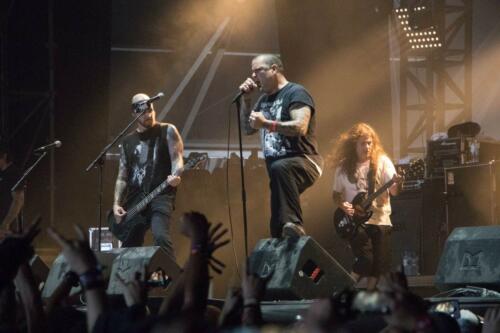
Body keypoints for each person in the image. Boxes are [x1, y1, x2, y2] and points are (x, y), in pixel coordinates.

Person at [238, 54, 323, 238]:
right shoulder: (262, 101)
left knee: (280, 167)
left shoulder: (296, 92)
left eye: (257, 70)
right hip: (279, 173)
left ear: (274, 69)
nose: (253, 76)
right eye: (251, 72)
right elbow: (247, 129)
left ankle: (295, 224)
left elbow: (300, 127)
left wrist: (268, 124)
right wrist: (246, 100)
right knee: (276, 229)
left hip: (304, 161)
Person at [112, 93, 183, 261]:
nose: (148, 115)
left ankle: (171, 280)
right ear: (134, 114)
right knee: (129, 245)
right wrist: (116, 204)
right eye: (143, 112)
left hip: (161, 195)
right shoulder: (127, 141)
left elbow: (178, 160)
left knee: (160, 237)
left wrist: (176, 175)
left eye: (150, 110)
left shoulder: (167, 130)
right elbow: (122, 177)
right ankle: (131, 281)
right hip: (136, 200)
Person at [330, 123, 402, 290]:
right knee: (365, 261)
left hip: (381, 220)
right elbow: (335, 195)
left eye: (370, 143)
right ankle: (342, 289)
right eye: (363, 143)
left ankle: (368, 297)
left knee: (379, 267)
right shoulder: (342, 167)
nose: (367, 147)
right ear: (353, 145)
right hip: (356, 222)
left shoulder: (382, 162)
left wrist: (397, 183)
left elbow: (395, 191)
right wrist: (343, 205)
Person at [0, 142, 25, 235]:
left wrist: (6, 223)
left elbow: (18, 200)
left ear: (4, 156)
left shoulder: (14, 173)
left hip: (6, 227)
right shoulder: (2, 173)